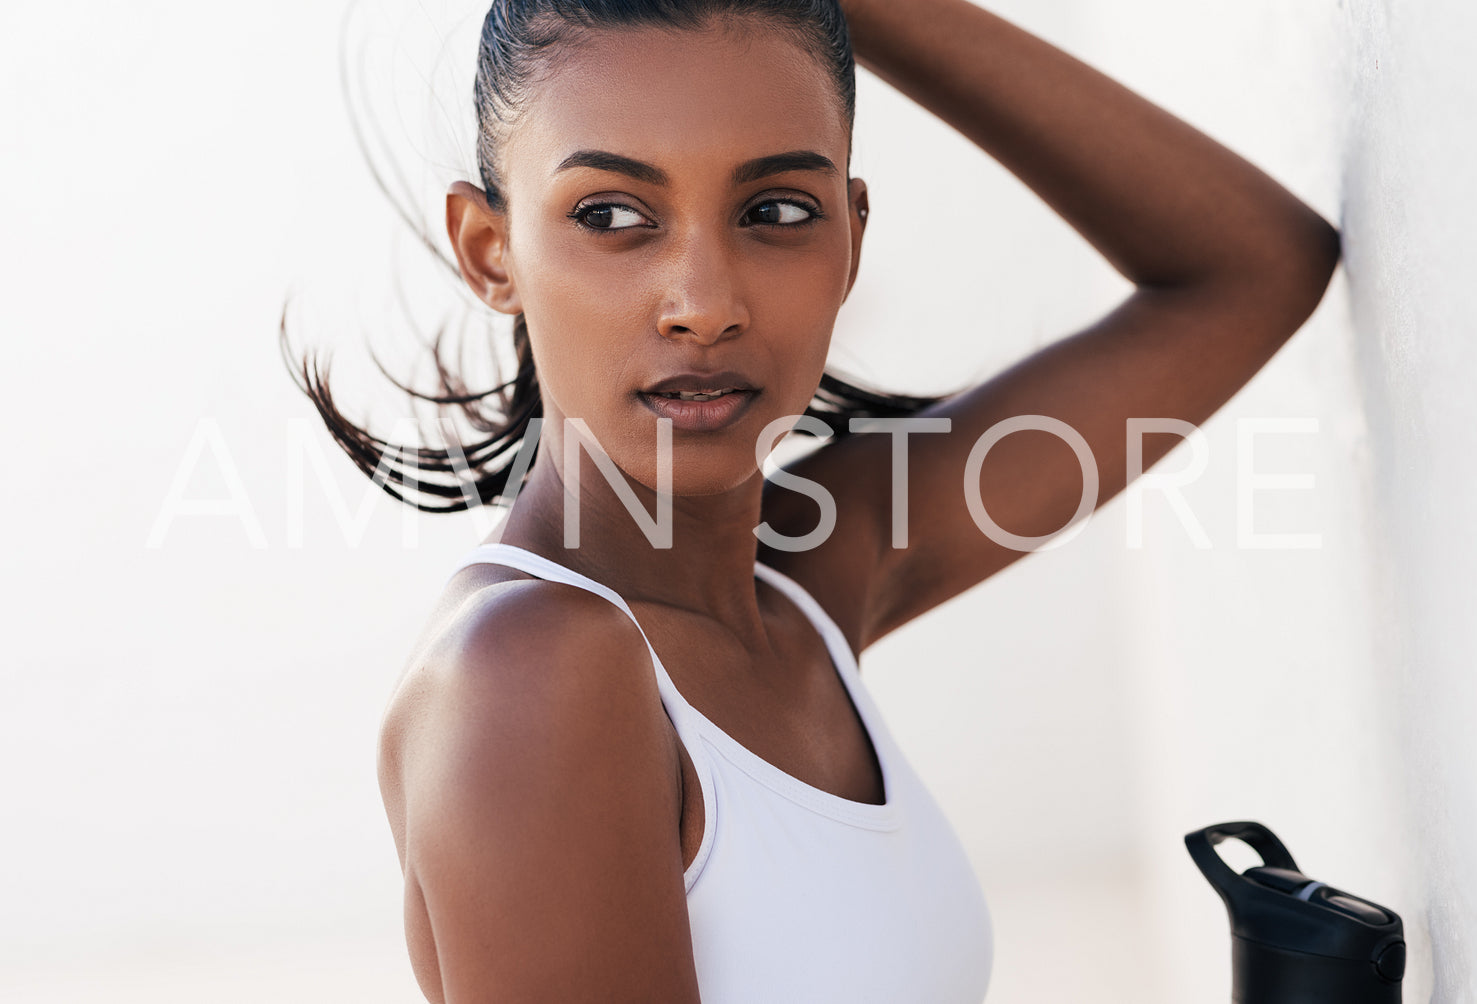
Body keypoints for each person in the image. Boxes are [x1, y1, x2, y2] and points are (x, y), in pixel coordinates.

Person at [284, 0, 1340, 999]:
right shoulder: (530, 672)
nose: (704, 303)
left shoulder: (810, 569)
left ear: (851, 233)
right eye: (611, 215)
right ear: (490, 249)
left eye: (776, 210)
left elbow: (1252, 269)